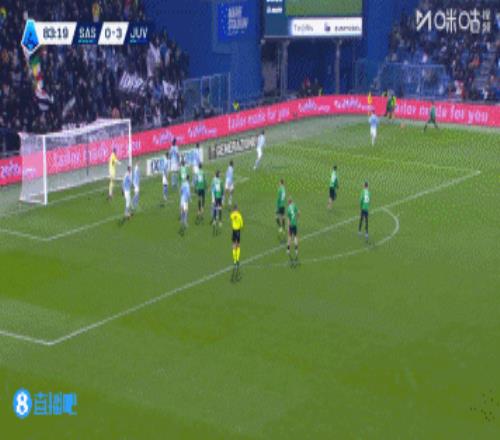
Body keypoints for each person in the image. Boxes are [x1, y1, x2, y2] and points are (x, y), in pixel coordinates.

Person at [230, 204, 244, 281]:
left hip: (233, 231)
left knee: (233, 245)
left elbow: (232, 218)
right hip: (238, 231)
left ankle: (234, 260)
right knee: (238, 245)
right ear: (237, 209)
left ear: (233, 209)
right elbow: (242, 225)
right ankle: (237, 259)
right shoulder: (240, 215)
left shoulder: (232, 215)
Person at [286, 198, 300, 262]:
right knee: (295, 237)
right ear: (292, 201)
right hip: (295, 224)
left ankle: (288, 250)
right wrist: (297, 219)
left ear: (288, 203)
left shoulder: (288, 209)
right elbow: (299, 213)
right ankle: (296, 250)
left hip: (291, 225)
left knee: (289, 237)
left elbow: (288, 219)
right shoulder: (294, 206)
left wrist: (288, 227)